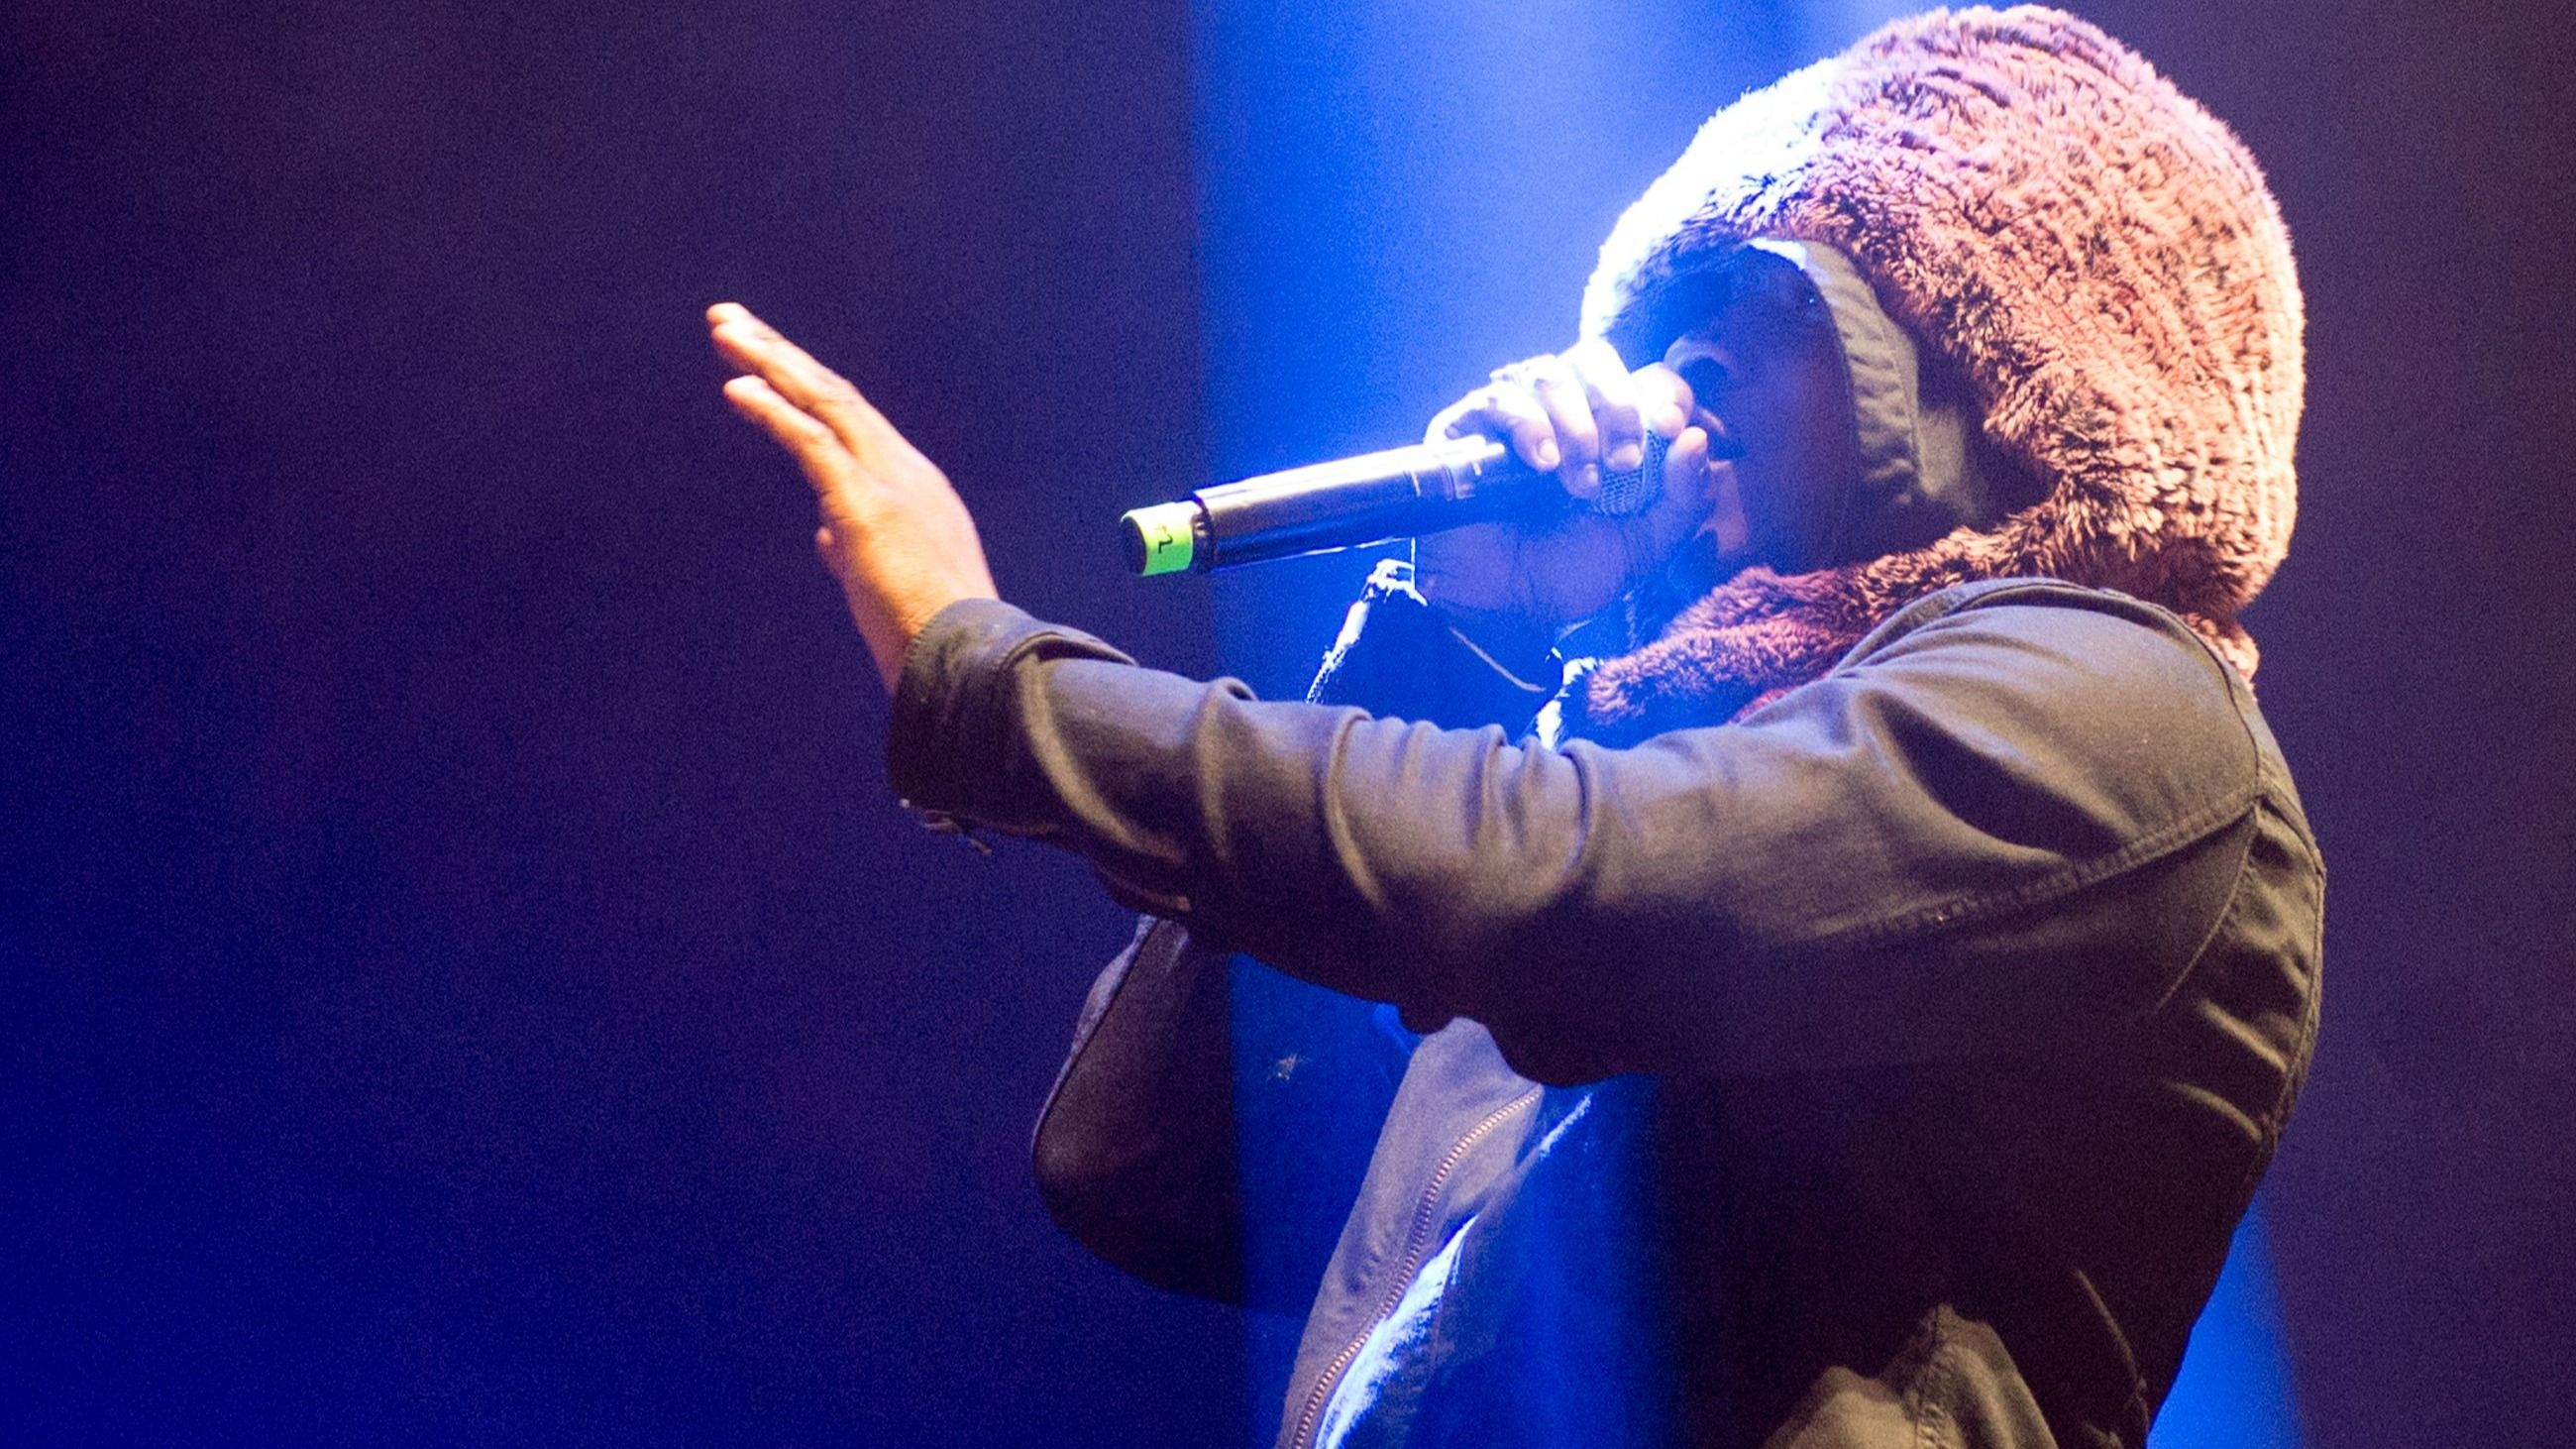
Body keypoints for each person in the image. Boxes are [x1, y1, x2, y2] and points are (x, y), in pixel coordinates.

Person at [706, 7, 2320, 1446]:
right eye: (1662, 325)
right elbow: (1153, 1159)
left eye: (1767, 316)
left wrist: (994, 688)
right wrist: (1455, 630)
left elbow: (1567, 884)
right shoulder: (1652, 776)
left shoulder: (2133, 715)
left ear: (1996, 360)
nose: (1681, 375)